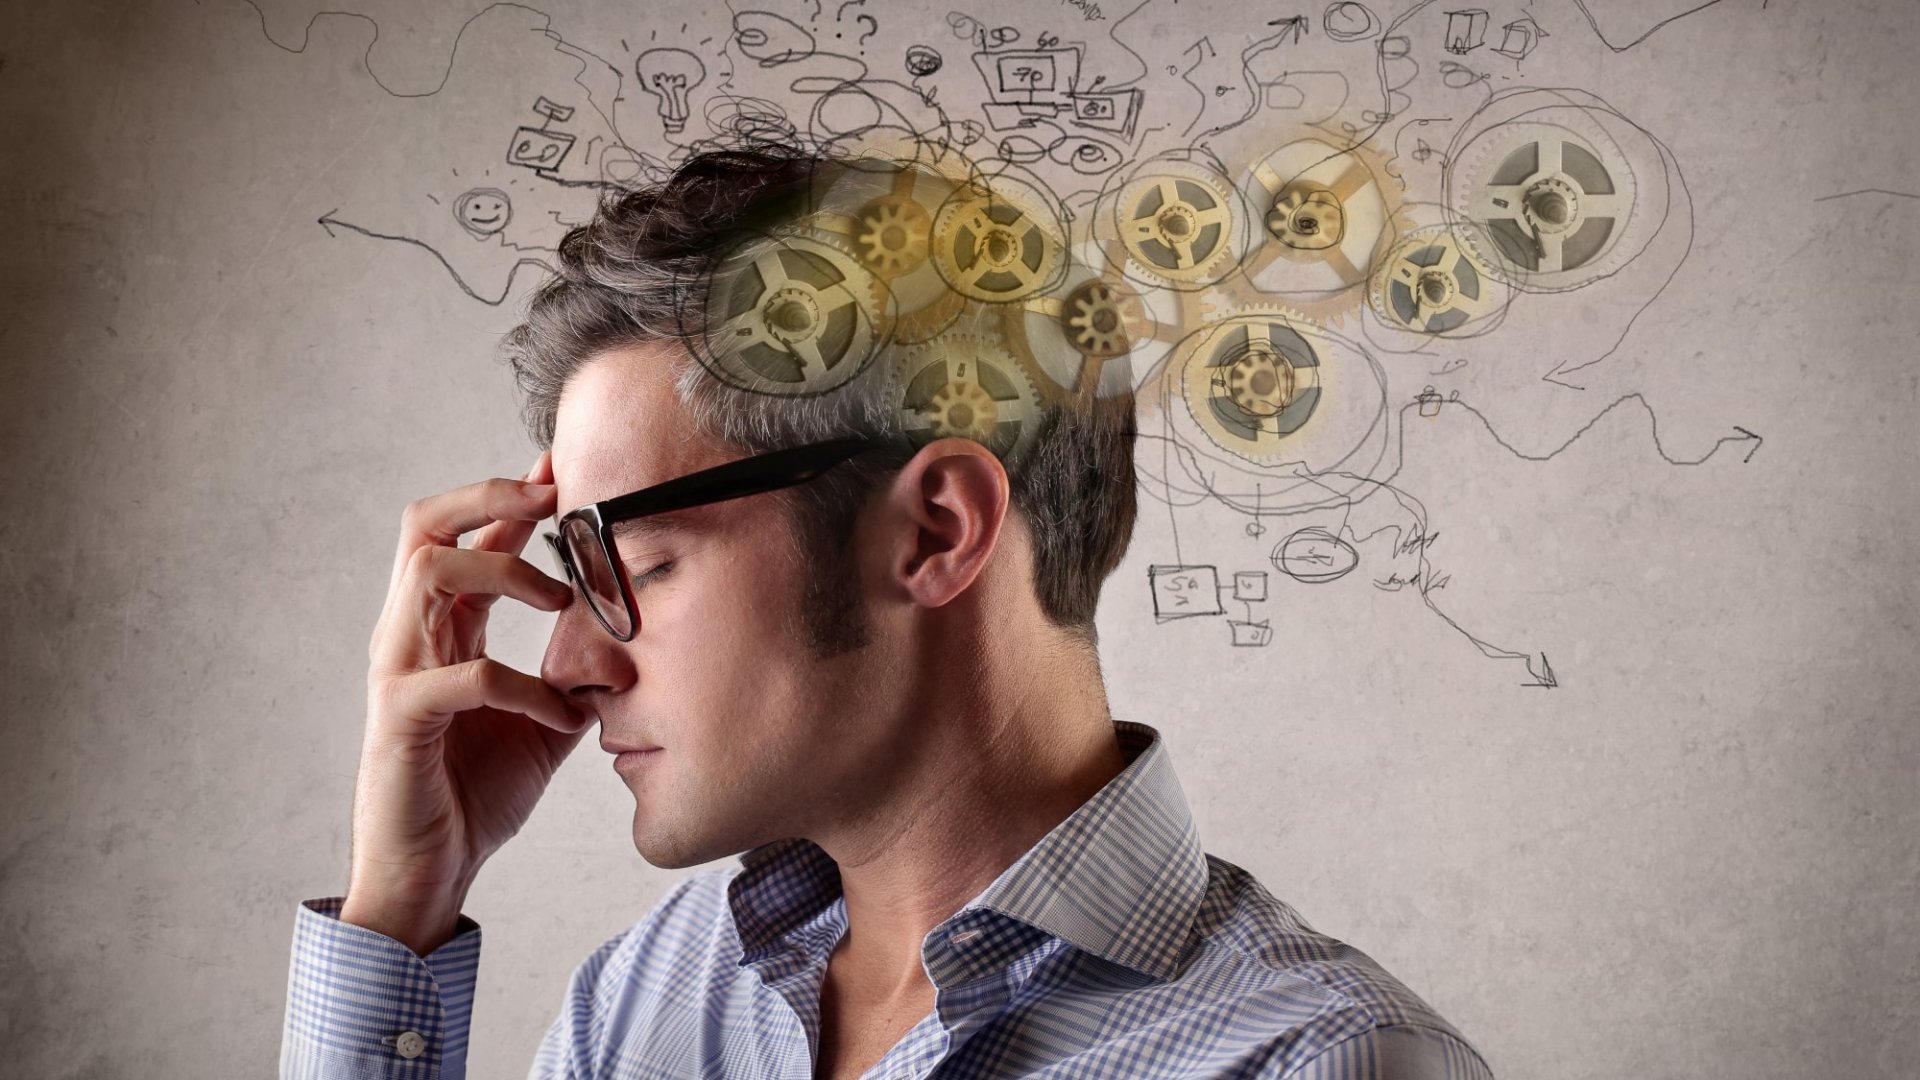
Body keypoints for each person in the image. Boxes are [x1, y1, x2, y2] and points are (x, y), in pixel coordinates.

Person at [278, 143, 1494, 1079]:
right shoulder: (653, 998)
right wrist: (399, 910)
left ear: (937, 532)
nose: (572, 663)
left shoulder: (1320, 1063)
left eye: (638, 565)